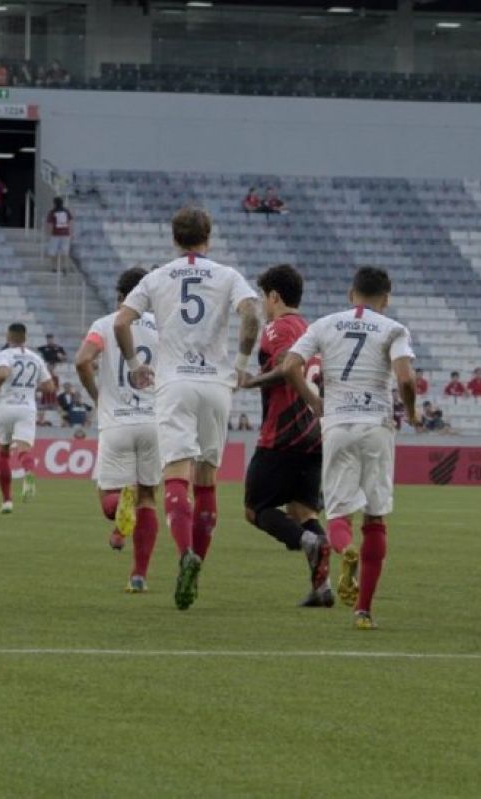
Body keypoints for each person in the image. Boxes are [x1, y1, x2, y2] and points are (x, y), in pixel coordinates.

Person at [114, 206, 259, 611]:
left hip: (175, 383)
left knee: (176, 475)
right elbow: (252, 313)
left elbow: (121, 322)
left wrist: (134, 365)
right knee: (207, 479)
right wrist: (241, 364)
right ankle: (198, 565)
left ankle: (184, 555)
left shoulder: (156, 277)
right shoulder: (228, 275)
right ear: (208, 237)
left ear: (174, 239)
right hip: (216, 385)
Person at [284, 266, 417, 630]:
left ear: (350, 294)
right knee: (375, 519)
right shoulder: (393, 329)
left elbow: (290, 365)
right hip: (376, 425)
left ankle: (346, 550)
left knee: (339, 515)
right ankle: (363, 611)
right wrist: (412, 412)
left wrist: (313, 400)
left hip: (338, 424)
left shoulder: (325, 325)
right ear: (386, 299)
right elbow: (405, 378)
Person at [239, 264, 331, 607]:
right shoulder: (310, 329)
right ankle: (322, 588)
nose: (263, 304)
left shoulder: (278, 328)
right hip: (313, 434)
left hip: (283, 434)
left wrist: (252, 381)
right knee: (303, 511)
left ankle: (306, 541)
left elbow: (285, 368)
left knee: (255, 509)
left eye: (264, 297)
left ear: (274, 296)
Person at [76, 267, 161, 588]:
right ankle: (138, 576)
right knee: (148, 499)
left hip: (117, 422)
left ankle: (122, 507)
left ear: (120, 296)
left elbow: (82, 361)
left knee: (108, 497)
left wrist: (97, 396)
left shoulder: (104, 325)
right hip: (154, 422)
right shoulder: (163, 325)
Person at [0, 323, 55, 513]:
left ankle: (7, 501)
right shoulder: (36, 358)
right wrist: (30, 387)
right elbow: (50, 387)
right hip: (27, 408)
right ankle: (29, 472)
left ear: (8, 337)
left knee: (3, 453)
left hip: (6, 406)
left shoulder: (4, 354)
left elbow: (3, 373)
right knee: (24, 450)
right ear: (25, 338)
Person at [46, 197, 74, 274]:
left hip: (55, 234)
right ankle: (64, 266)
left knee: (53, 251)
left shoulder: (52, 212)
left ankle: (54, 267)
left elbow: (50, 224)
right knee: (65, 251)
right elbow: (70, 222)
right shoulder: (66, 211)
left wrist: (48, 234)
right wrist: (71, 233)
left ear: (54, 203)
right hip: (65, 233)